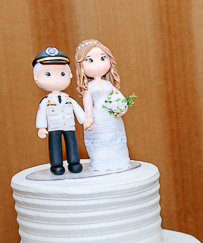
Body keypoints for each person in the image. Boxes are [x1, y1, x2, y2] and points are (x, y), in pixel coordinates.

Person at [75, 39, 131, 172]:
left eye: (102, 58)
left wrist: (122, 106)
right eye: (90, 60)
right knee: (100, 140)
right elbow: (87, 104)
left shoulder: (108, 85)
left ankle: (119, 161)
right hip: (98, 118)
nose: (98, 64)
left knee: (114, 138)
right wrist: (88, 117)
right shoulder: (89, 87)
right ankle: (102, 163)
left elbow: (118, 96)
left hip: (112, 118)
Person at [32, 47, 85, 175]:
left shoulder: (69, 99)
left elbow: (78, 110)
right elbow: (41, 114)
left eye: (62, 74)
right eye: (48, 74)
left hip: (69, 126)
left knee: (72, 144)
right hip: (54, 127)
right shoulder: (46, 101)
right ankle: (56, 165)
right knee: (55, 146)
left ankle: (74, 163)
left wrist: (84, 120)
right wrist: (41, 127)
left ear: (70, 75)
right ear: (36, 78)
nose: (57, 79)